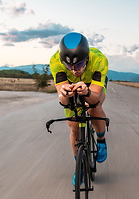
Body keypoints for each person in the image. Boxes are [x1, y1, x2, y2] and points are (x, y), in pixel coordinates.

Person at [49, 32, 108, 184]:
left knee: (93, 108)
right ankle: (79, 165)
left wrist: (87, 92)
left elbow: (94, 96)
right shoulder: (56, 61)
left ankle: (101, 140)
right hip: (71, 85)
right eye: (69, 66)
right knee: (74, 127)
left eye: (79, 64)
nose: (75, 70)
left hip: (92, 86)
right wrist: (64, 94)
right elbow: (63, 101)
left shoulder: (99, 60)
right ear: (63, 61)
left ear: (87, 58)